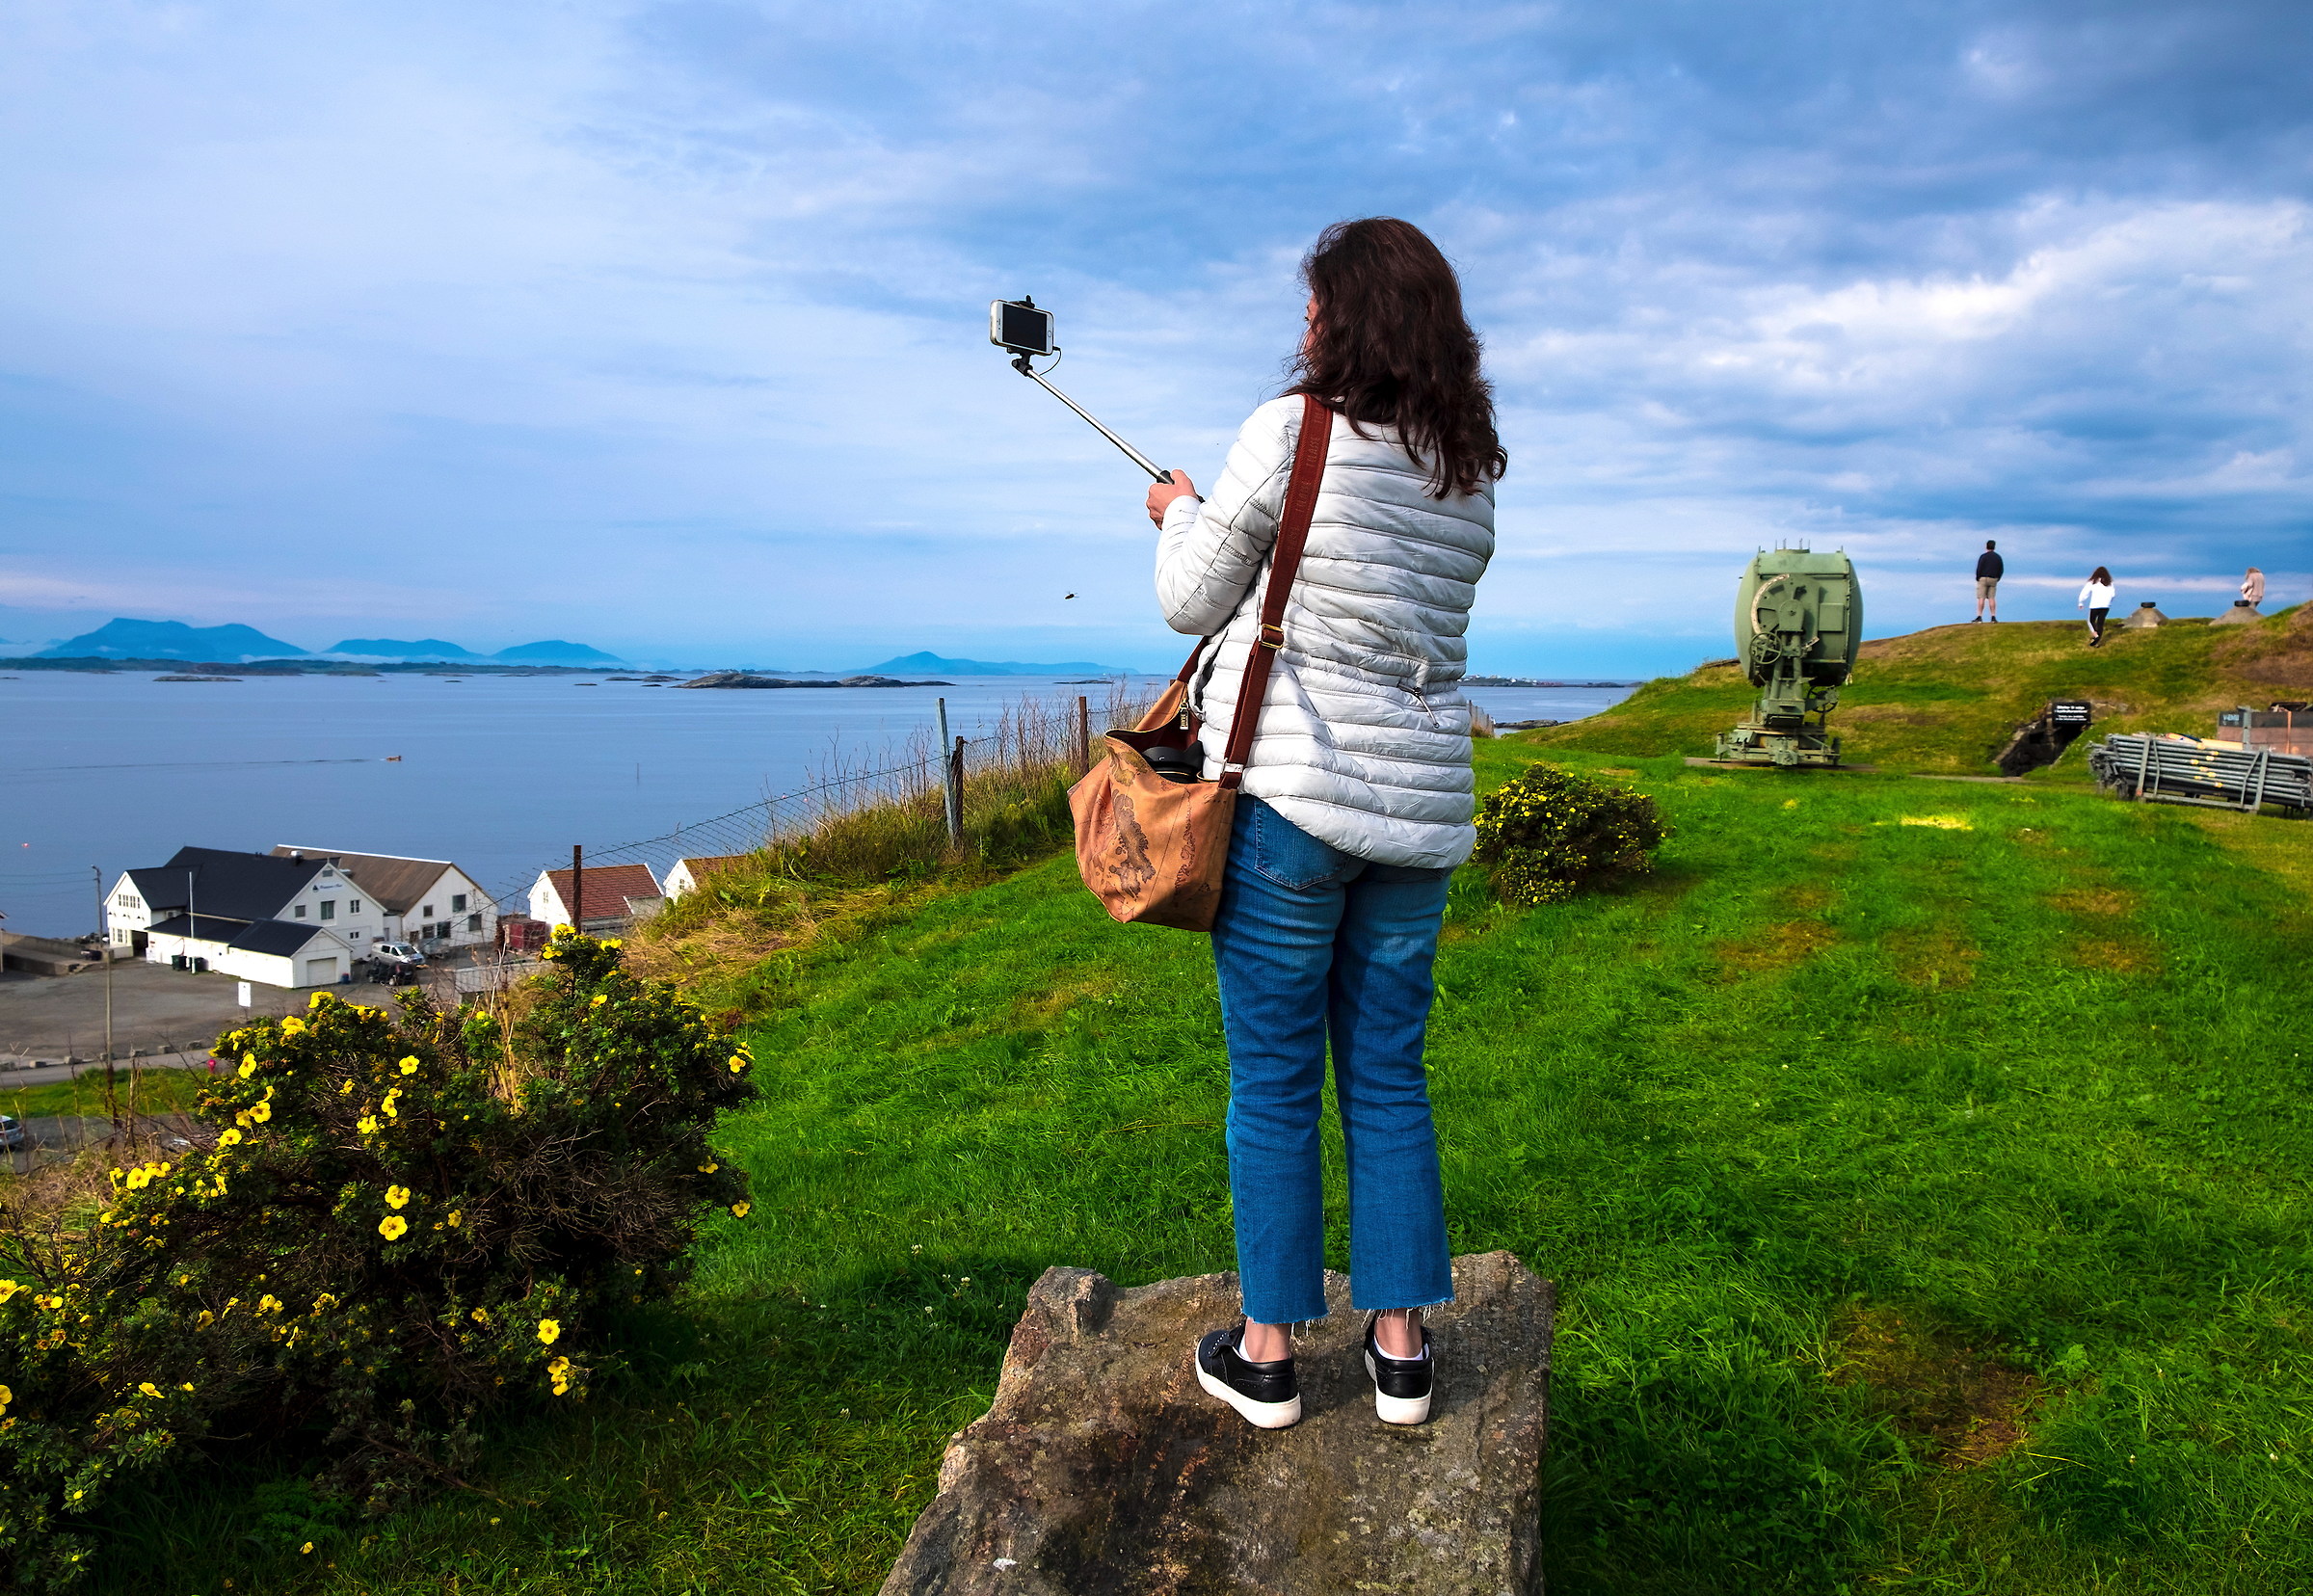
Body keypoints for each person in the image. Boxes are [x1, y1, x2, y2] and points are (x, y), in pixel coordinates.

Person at [1143, 218, 1501, 1430]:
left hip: (1293, 803)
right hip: (1419, 814)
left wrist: (1181, 511)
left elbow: (1192, 595)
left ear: (1346, 319)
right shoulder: (1467, 472)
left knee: (1276, 1085)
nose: (1300, 329)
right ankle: (1401, 1354)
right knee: (1391, 1078)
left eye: (1311, 310)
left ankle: (1270, 1354)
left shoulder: (1292, 432)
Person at [2078, 566, 2115, 648]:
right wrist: (2109, 602)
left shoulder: (2092, 582)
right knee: (2100, 623)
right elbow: (2113, 594)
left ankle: (2096, 636)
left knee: (2091, 621)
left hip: (2095, 605)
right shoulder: (2109, 582)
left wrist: (2081, 602)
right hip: (2106, 606)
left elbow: (2084, 593)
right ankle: (2098, 640)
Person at [1973, 540, 2003, 622]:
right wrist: (1998, 578)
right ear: (1994, 547)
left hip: (1983, 578)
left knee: (1981, 598)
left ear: (1986, 546)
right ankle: (1993, 616)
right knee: (1991, 598)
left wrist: (1978, 577)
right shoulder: (1998, 557)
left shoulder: (1983, 556)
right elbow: (2001, 569)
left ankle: (1979, 616)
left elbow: (1979, 568)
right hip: (1993, 579)